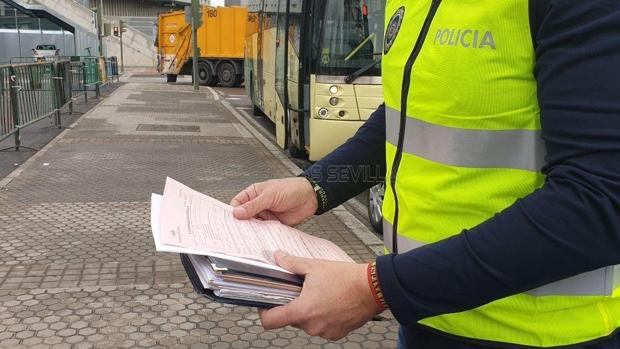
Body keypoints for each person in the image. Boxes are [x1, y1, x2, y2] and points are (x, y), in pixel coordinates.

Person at [230, 1, 620, 348]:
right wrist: (315, 187)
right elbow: (407, 116)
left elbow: (599, 199)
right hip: (422, 315)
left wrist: (375, 289)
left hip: (538, 336)